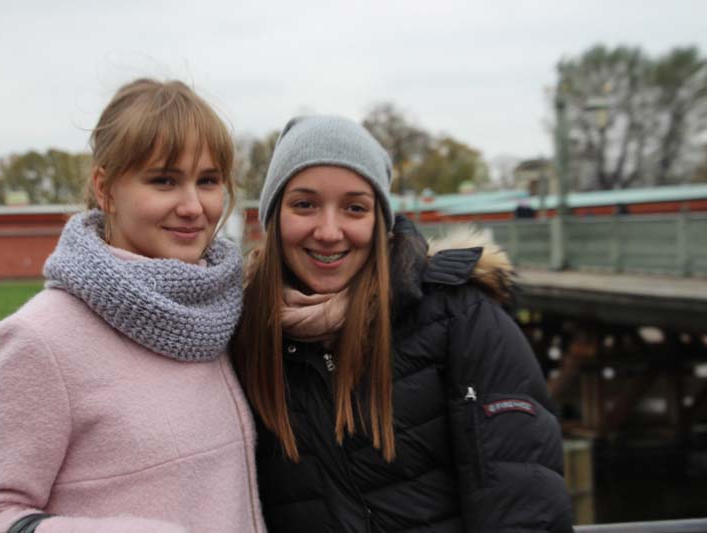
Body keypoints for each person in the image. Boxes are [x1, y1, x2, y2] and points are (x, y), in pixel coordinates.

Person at [0, 79, 265, 533]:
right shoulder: (39, 339)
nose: (193, 206)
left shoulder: (222, 315)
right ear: (105, 188)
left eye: (208, 181)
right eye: (164, 181)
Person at [232, 115, 573, 532]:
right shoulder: (242, 334)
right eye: (305, 204)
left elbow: (523, 501)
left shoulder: (458, 316)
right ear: (273, 217)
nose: (329, 232)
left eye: (355, 207)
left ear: (380, 221)